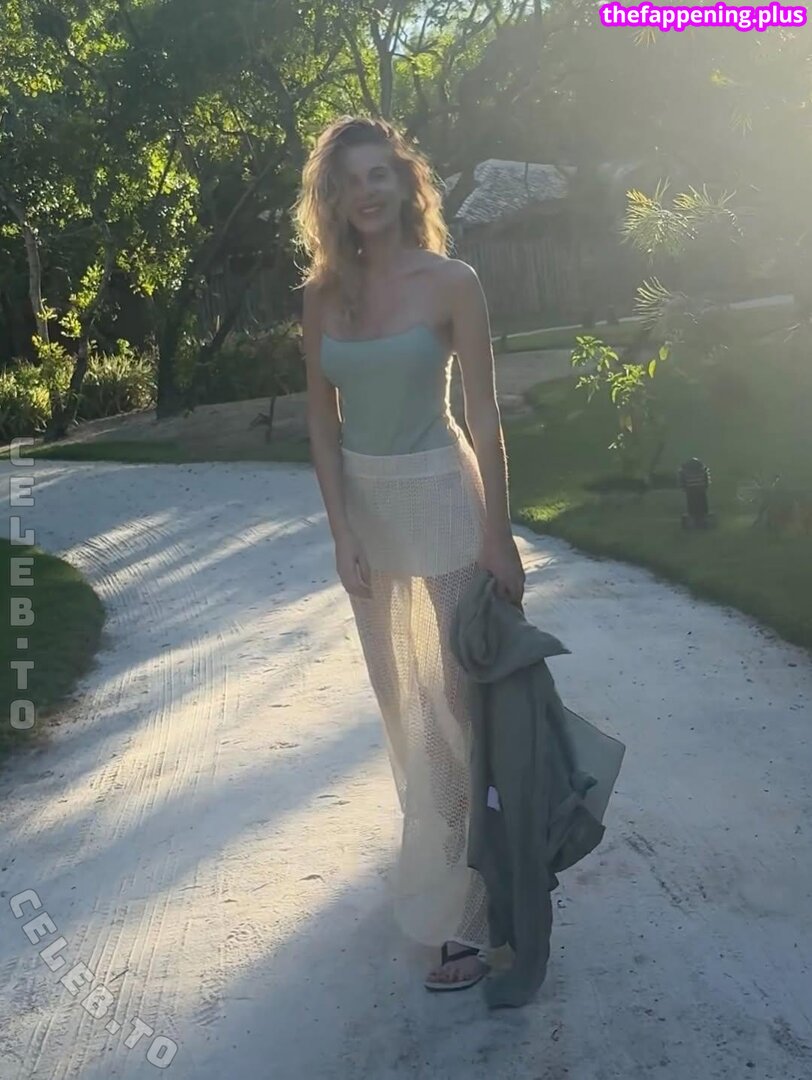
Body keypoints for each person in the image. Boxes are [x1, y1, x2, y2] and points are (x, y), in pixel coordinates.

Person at [292, 115, 525, 992]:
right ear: (333, 198)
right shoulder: (323, 298)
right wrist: (341, 532)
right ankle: (441, 873)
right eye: (350, 180)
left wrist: (498, 533)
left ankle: (476, 910)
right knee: (406, 710)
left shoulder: (452, 282)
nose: (367, 192)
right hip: (371, 512)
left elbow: (485, 414)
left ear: (404, 183)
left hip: (442, 501)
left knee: (459, 704)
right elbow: (322, 423)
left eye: (379, 175)